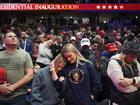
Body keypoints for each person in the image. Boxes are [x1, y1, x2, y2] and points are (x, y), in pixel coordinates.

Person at [0, 31, 33, 105]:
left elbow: (30, 75)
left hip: (19, 96)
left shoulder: (25, 55)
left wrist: (13, 87)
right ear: (4, 40)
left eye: (15, 36)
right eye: (10, 36)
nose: (13, 37)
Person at [107, 33, 140, 105]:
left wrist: (132, 81)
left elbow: (130, 85)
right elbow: (122, 88)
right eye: (131, 55)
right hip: (119, 101)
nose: (134, 58)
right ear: (125, 54)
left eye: (135, 55)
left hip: (134, 100)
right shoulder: (114, 62)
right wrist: (138, 86)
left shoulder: (135, 62)